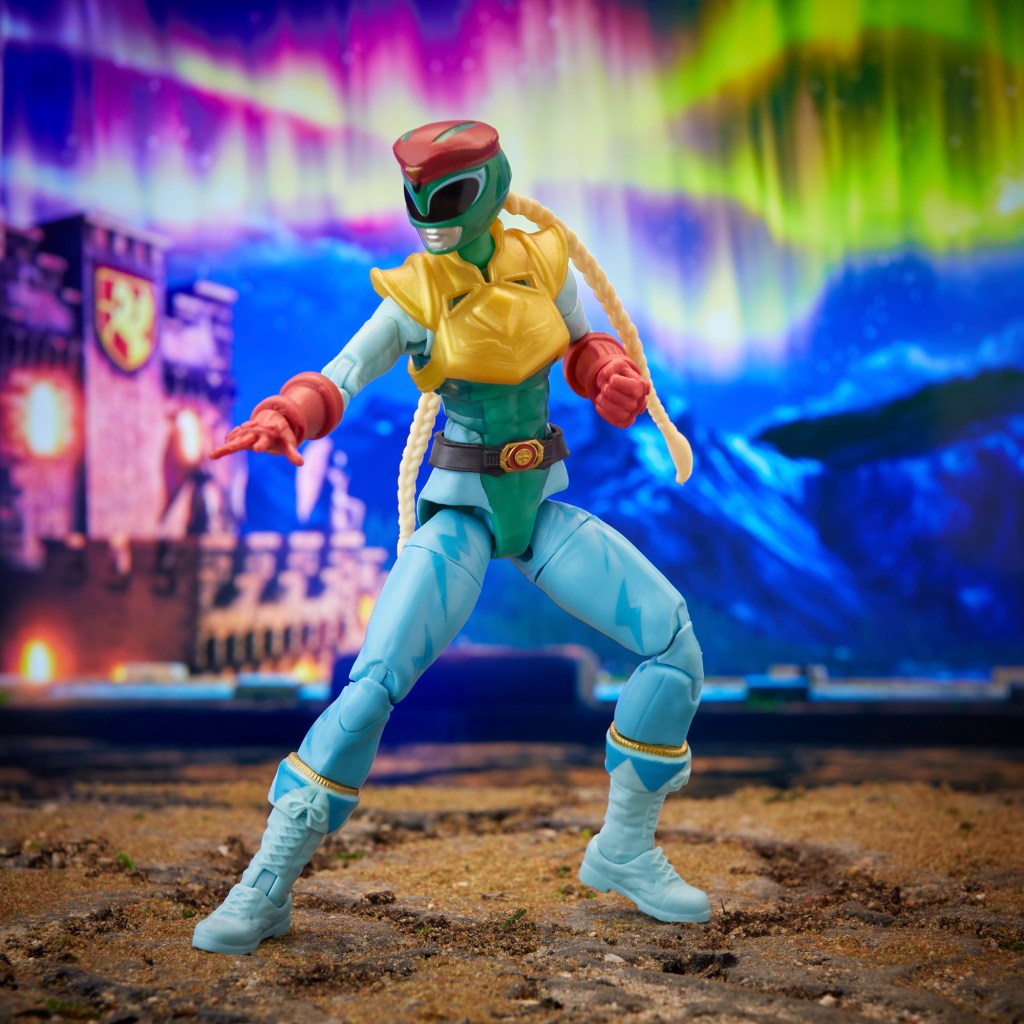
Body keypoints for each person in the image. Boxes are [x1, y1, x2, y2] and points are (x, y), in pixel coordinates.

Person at [193, 120, 709, 955]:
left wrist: (609, 374)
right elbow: (341, 375)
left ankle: (623, 848)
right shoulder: (416, 293)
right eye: (417, 195)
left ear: (491, 186)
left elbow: (582, 344)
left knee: (673, 643)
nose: (431, 213)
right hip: (462, 511)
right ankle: (268, 882)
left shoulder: (543, 259)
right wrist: (287, 412)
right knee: (371, 687)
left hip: (538, 505)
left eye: (450, 194)